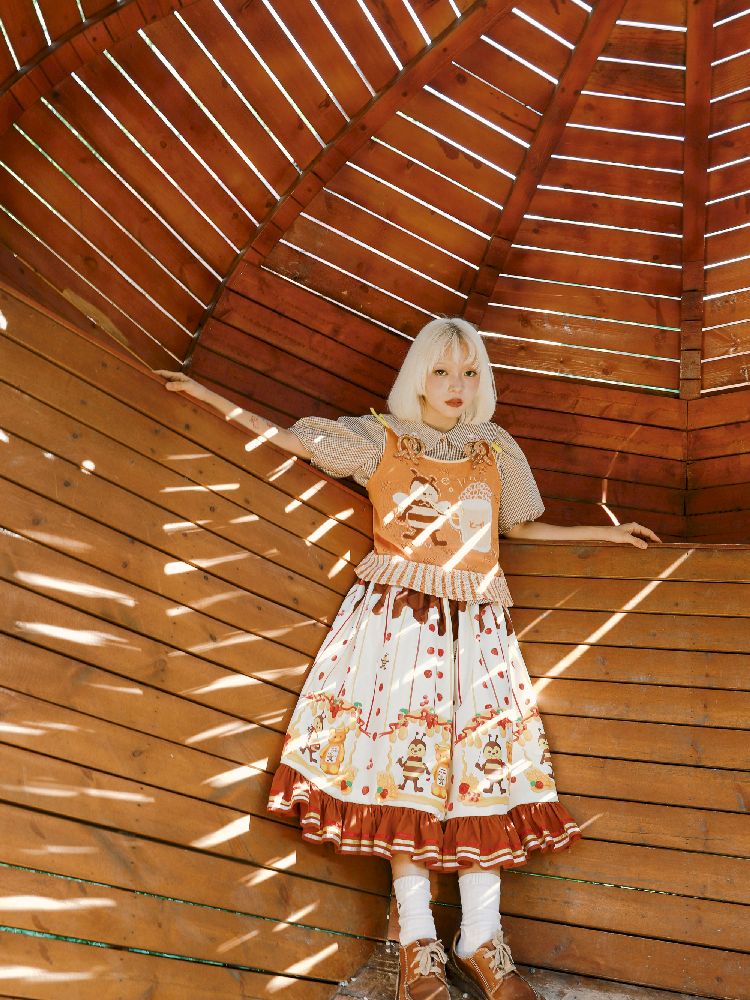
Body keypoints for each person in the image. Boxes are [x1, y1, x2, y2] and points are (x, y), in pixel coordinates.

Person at [158, 317, 660, 1000]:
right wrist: (205, 396)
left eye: (470, 373)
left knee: (484, 769)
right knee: (404, 767)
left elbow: (518, 526)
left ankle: (482, 939)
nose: (457, 386)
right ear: (419, 377)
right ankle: (418, 941)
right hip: (398, 626)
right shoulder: (381, 439)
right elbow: (291, 440)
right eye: (442, 371)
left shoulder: (496, 448)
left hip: (479, 629)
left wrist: (606, 535)